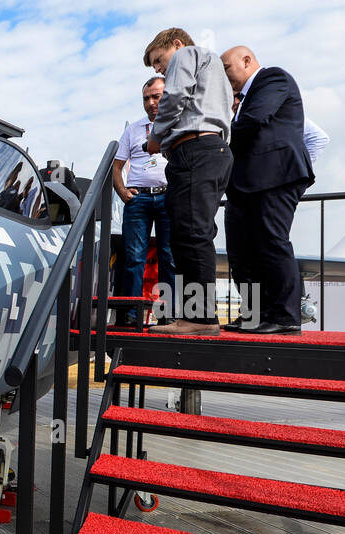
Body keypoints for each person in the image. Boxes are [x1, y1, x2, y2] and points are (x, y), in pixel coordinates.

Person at [142, 27, 235, 335]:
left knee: (190, 234)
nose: (158, 68)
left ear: (177, 44)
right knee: (193, 233)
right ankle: (195, 315)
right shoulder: (214, 70)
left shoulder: (187, 54)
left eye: (159, 59)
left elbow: (175, 96)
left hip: (195, 150)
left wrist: (156, 137)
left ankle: (199, 318)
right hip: (211, 150)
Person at [220, 45, 314, 334]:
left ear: (246, 61)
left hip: (275, 177)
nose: (223, 76)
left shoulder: (273, 78)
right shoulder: (241, 100)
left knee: (271, 242)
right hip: (242, 184)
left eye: (226, 68)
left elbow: (253, 120)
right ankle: (253, 314)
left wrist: (213, 142)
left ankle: (284, 316)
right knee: (241, 253)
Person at [112, 76, 177, 327]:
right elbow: (117, 166)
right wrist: (122, 191)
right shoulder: (133, 129)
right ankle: (131, 314)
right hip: (138, 198)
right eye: (146, 98)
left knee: (169, 257)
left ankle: (169, 314)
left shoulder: (178, 123)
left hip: (168, 196)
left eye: (156, 97)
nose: (151, 103)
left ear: (167, 96)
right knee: (134, 257)